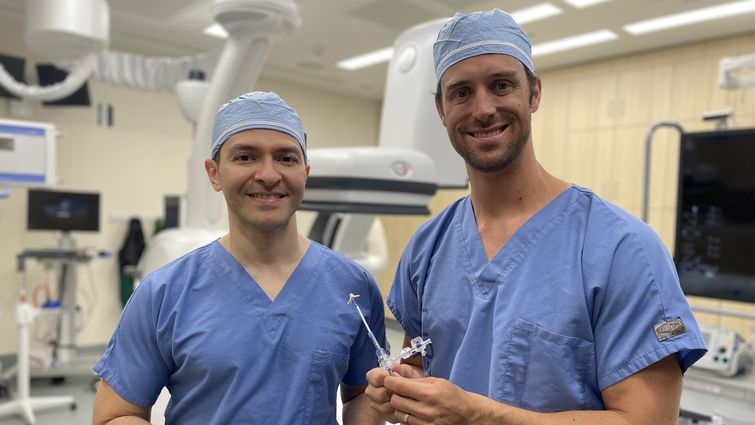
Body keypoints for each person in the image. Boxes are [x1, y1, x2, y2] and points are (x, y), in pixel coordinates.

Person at [365, 9, 707, 425]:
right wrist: (403, 389)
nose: (483, 109)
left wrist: (477, 415)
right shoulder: (428, 247)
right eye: (461, 93)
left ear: (534, 94)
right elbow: (424, 364)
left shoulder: (621, 248)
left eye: (502, 85)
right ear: (441, 109)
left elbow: (648, 421)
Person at [93, 91, 386, 425]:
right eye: (246, 157)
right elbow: (116, 414)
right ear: (214, 173)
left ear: (305, 173)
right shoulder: (164, 293)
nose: (268, 174)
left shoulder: (353, 286)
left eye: (286, 158)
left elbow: (363, 394)